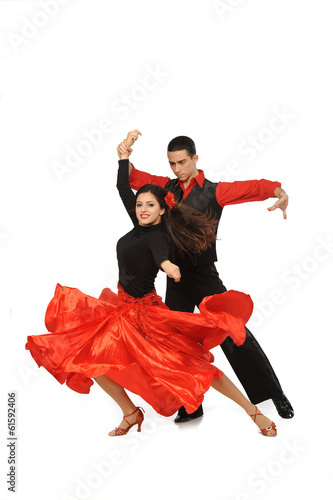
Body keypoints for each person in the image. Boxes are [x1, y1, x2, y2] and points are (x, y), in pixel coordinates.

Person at [25, 142, 277, 438]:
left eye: (150, 205)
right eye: (140, 204)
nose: (143, 209)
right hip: (121, 313)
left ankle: (254, 412)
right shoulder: (139, 223)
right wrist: (123, 158)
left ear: (162, 211)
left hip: (147, 317)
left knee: (196, 368)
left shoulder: (159, 235)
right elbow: (122, 188)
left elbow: (160, 254)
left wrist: (168, 266)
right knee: (89, 359)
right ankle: (131, 413)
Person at [124, 129, 294, 422]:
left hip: (204, 276)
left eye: (181, 162)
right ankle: (191, 405)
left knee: (232, 332)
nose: (177, 169)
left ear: (195, 159)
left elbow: (253, 187)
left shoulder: (214, 191)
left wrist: (280, 192)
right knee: (177, 342)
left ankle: (274, 393)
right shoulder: (165, 188)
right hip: (175, 277)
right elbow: (133, 177)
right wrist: (124, 153)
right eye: (172, 164)